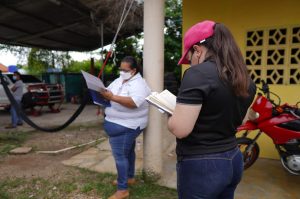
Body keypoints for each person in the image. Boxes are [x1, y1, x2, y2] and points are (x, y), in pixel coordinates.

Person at [167, 20, 257, 199]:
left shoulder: (198, 74)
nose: (191, 63)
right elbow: (242, 120)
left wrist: (170, 113)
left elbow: (180, 129)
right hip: (233, 158)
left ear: (198, 50)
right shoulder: (244, 78)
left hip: (202, 165)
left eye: (190, 57)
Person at [100, 56, 151, 199]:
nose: (122, 72)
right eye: (120, 69)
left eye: (125, 70)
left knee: (120, 156)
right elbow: (108, 91)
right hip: (120, 124)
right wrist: (102, 94)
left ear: (134, 70)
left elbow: (135, 102)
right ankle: (129, 177)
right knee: (128, 152)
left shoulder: (138, 84)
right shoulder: (120, 80)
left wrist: (112, 98)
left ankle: (122, 190)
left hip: (128, 125)